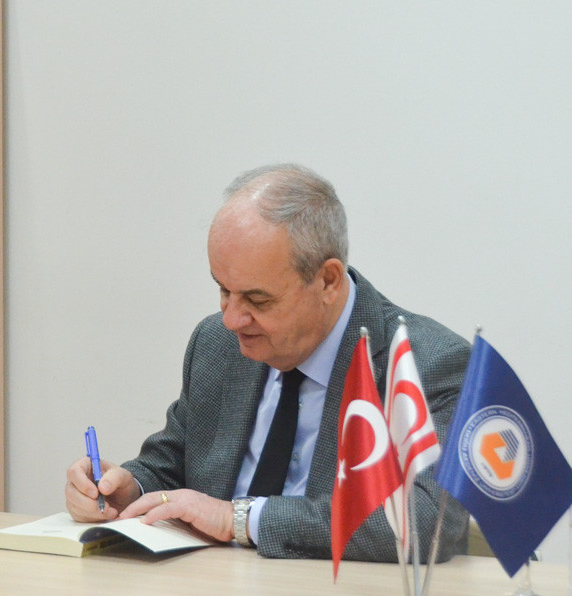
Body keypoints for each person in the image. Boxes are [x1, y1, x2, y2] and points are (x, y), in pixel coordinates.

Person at [65, 163, 470, 561]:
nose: (231, 318)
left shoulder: (423, 364)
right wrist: (128, 488)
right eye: (223, 290)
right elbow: (172, 465)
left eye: (258, 300)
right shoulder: (217, 344)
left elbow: (428, 519)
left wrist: (239, 519)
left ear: (327, 280)